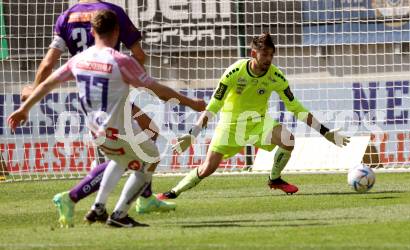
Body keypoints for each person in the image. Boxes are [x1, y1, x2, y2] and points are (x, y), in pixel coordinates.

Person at [9, 9, 205, 227]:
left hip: (97, 132)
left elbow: (46, 84)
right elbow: (156, 89)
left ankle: (98, 207)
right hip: (118, 130)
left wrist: (25, 108)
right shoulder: (120, 61)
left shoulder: (78, 60)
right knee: (150, 158)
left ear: (93, 32)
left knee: (119, 160)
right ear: (117, 31)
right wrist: (191, 103)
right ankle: (120, 215)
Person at [158, 33, 350, 199]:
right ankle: (172, 192)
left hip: (259, 123)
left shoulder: (276, 76)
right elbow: (214, 105)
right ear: (253, 54)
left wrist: (325, 132)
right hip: (230, 126)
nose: (268, 59)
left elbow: (296, 108)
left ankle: (274, 179)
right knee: (207, 168)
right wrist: (193, 133)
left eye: (271, 55)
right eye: (264, 54)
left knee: (288, 139)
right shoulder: (234, 71)